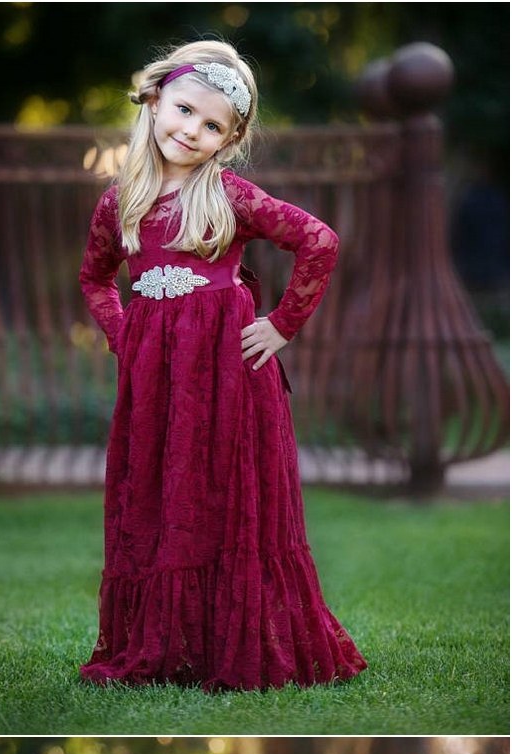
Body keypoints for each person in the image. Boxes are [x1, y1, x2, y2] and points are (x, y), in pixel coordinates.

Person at [78, 39, 367, 691]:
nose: (192, 130)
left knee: (223, 493)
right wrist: (125, 337)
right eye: (183, 110)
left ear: (229, 139)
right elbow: (95, 278)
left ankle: (231, 641)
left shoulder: (229, 196)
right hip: (156, 376)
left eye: (213, 126)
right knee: (160, 494)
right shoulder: (117, 204)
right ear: (154, 102)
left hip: (229, 369)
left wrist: (282, 324)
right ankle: (164, 644)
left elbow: (318, 240)